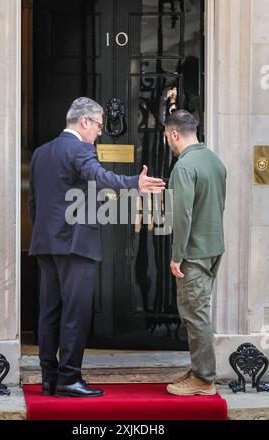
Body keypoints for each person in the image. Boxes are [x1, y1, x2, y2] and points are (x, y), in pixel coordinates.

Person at [29, 97, 165, 398]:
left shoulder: (40, 153)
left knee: (49, 312)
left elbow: (34, 204)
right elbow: (99, 177)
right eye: (99, 126)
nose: (100, 133)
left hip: (45, 244)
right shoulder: (80, 148)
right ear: (84, 122)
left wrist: (43, 234)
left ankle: (49, 379)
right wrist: (134, 183)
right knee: (75, 313)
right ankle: (69, 378)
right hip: (76, 244)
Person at [164, 110, 226, 396]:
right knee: (198, 309)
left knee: (194, 313)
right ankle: (199, 369)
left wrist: (177, 256)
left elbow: (182, 216)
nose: (168, 142)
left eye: (167, 137)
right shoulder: (214, 161)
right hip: (213, 247)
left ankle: (203, 379)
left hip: (193, 252)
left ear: (174, 134)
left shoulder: (184, 167)